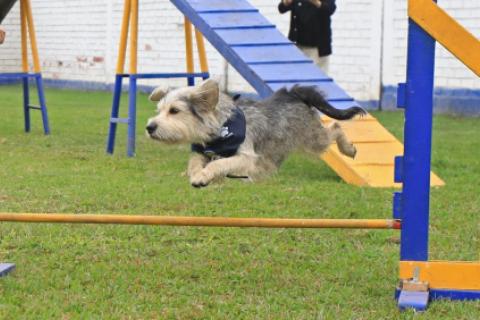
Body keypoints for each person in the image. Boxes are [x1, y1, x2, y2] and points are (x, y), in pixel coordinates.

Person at [278, 0, 336, 74]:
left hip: (317, 48)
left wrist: (315, 2)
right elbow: (281, 8)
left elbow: (330, 9)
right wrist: (286, 2)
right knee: (297, 77)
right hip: (297, 45)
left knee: (317, 79)